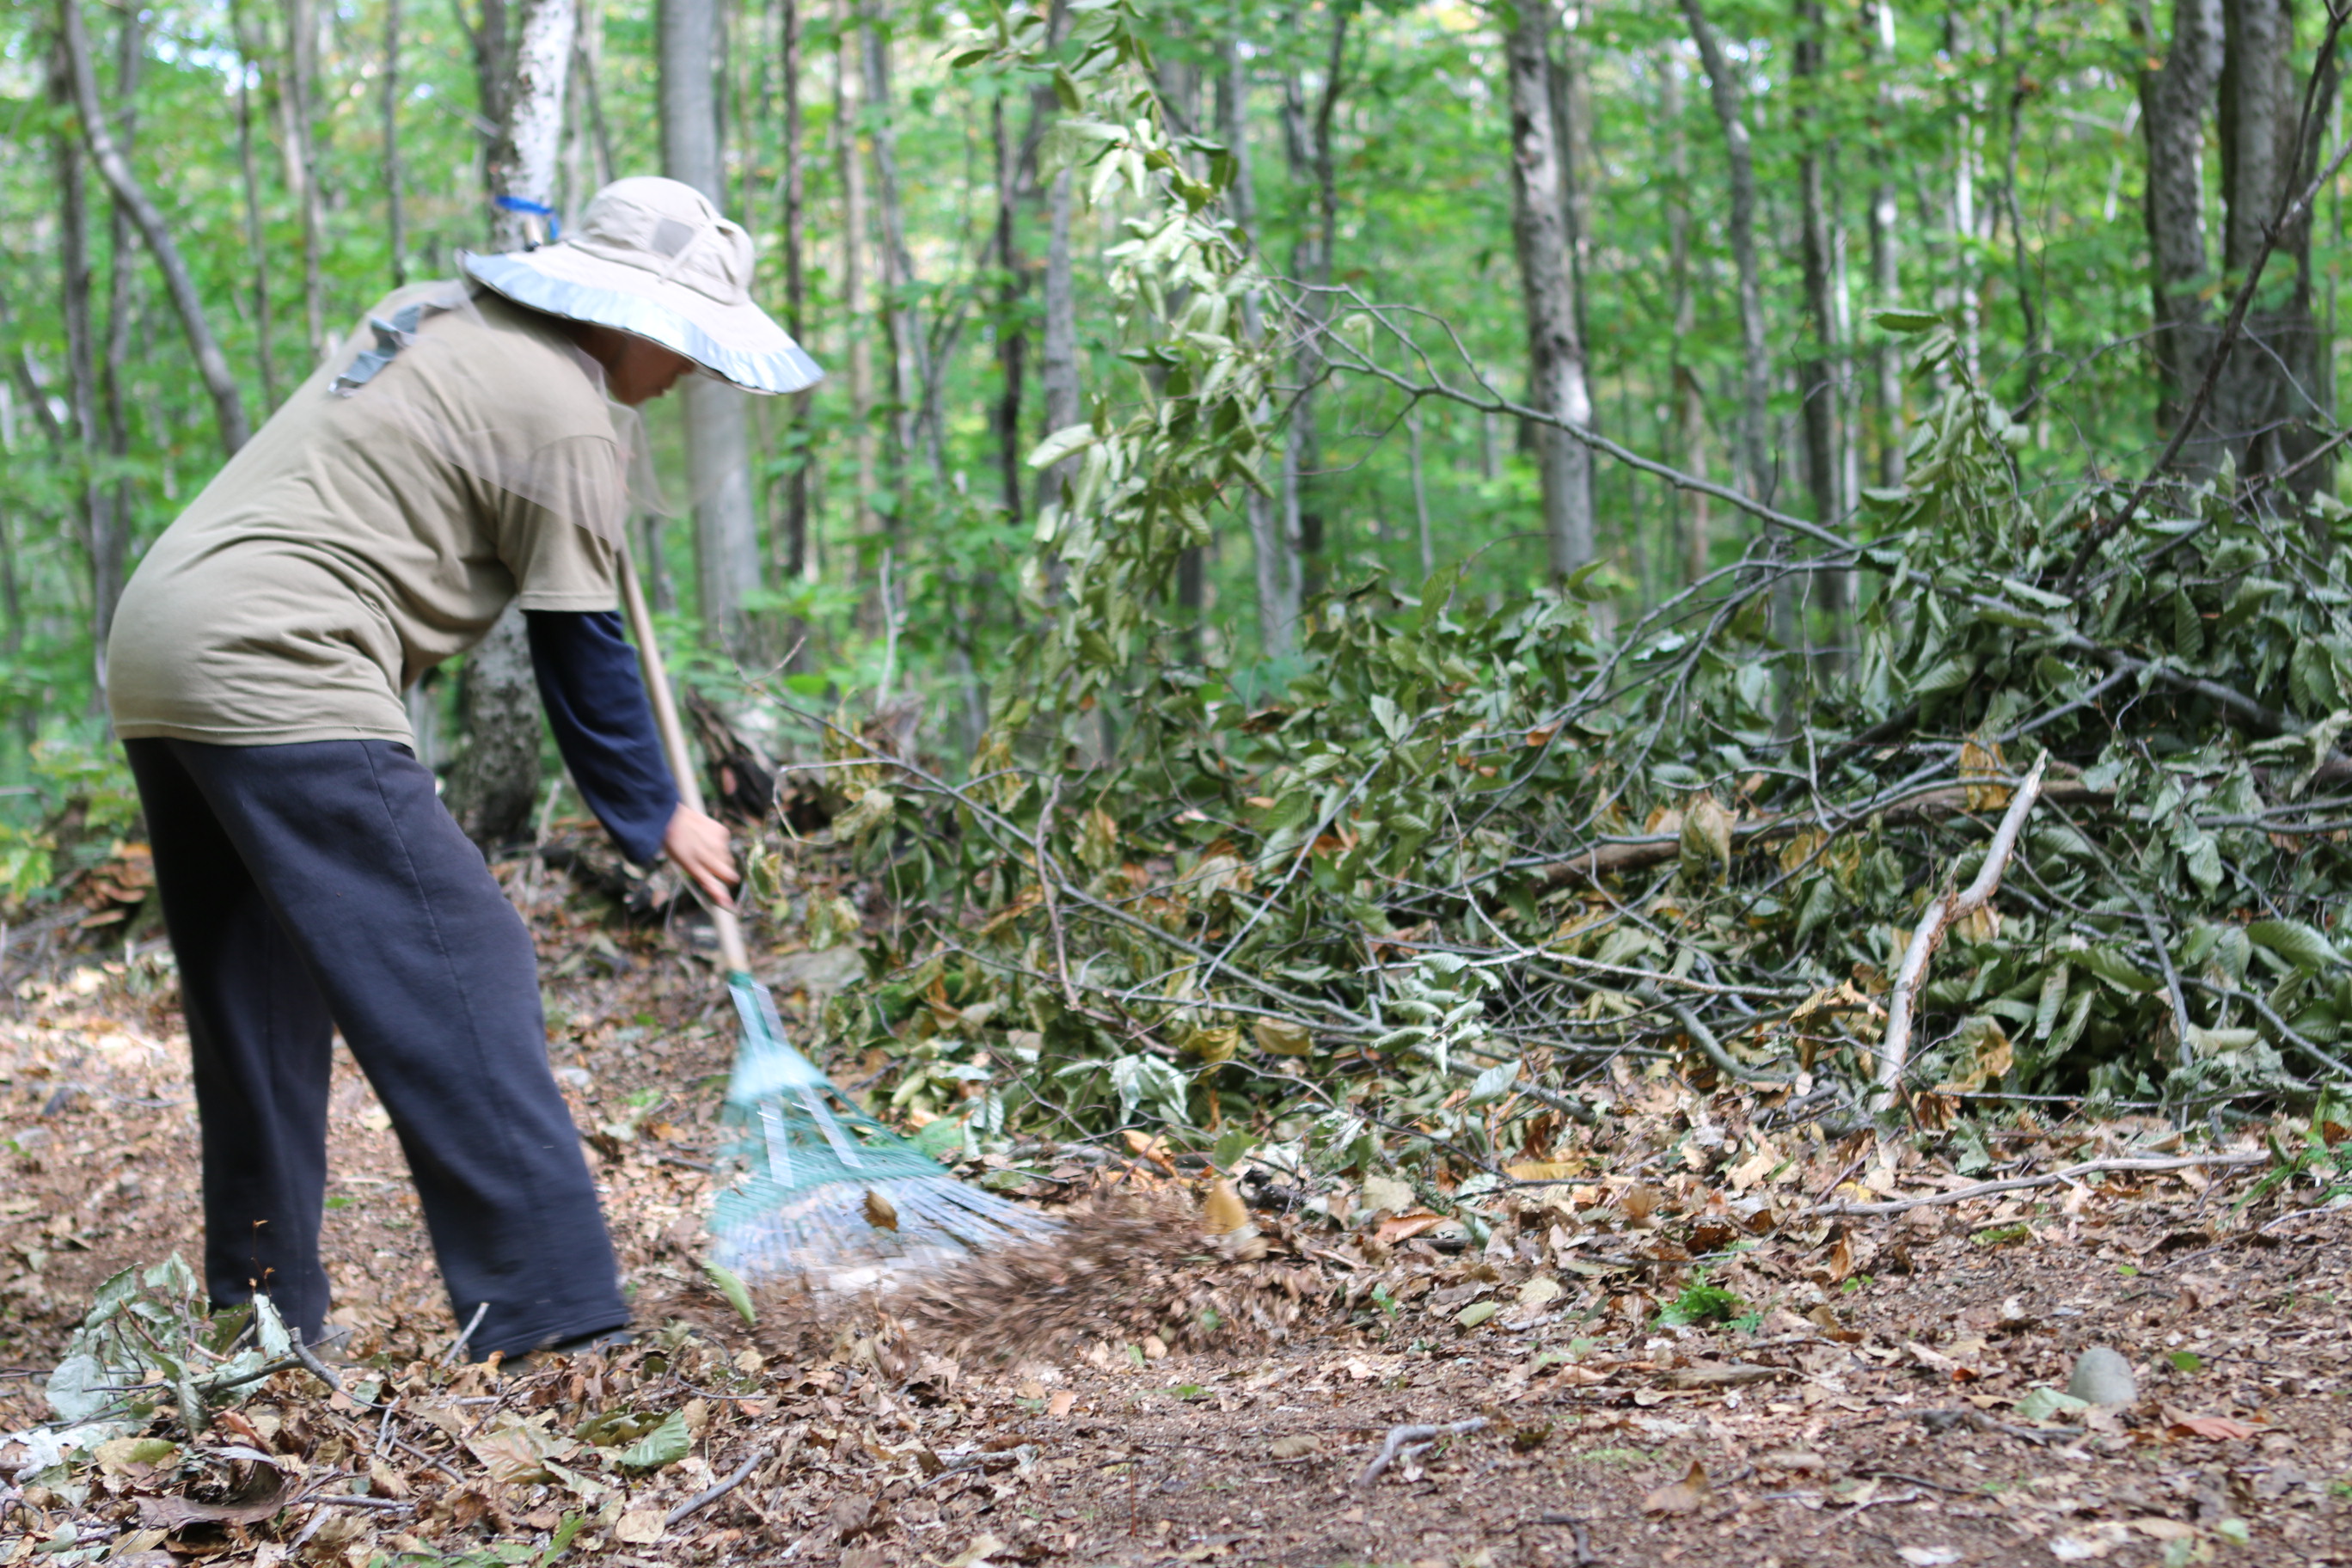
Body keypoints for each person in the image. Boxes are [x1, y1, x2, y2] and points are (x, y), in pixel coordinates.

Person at [104, 176, 823, 1360]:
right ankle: (554, 1320)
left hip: (164, 642)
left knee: (258, 989)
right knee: (466, 959)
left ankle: (260, 1307)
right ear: (629, 314)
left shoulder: (439, 316)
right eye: (687, 343)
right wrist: (656, 816)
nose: (692, 371)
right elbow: (580, 651)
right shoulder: (566, 416)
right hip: (284, 659)